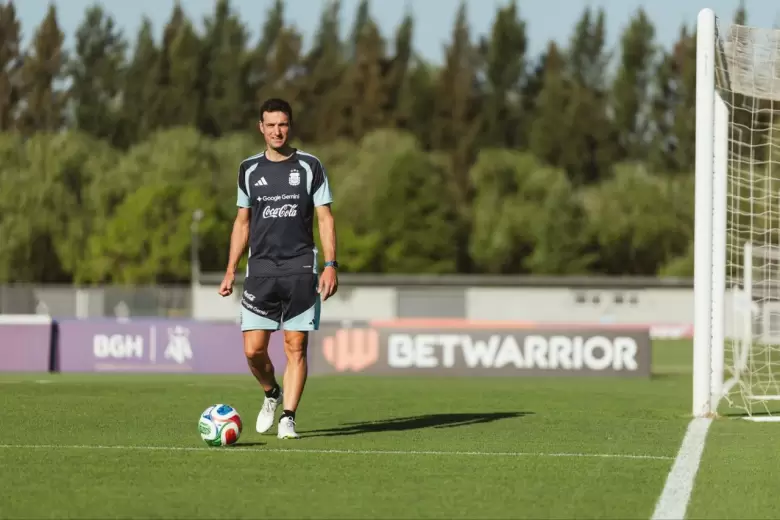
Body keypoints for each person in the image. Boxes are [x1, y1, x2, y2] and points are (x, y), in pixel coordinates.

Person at [218, 98, 338, 440]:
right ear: (261, 127)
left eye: (282, 124)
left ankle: (288, 417)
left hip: (300, 266)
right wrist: (230, 269)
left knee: (295, 346)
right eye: (270, 125)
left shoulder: (310, 166)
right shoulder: (248, 170)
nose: (277, 131)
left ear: (290, 126)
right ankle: (272, 393)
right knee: (253, 350)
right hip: (260, 270)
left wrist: (330, 265)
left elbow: (325, 217)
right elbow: (242, 224)